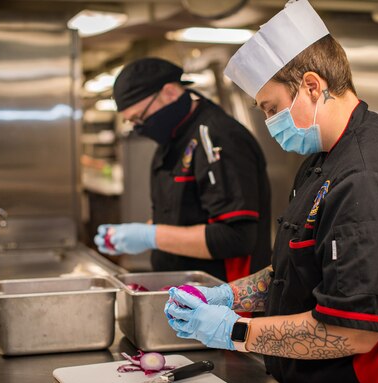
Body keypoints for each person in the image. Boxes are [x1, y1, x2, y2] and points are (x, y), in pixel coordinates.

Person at [164, 1, 378, 383]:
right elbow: (294, 269)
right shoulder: (323, 159)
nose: (270, 122)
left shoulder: (366, 177)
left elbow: (353, 332)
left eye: (271, 109)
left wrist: (234, 330)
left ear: (312, 85)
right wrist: (226, 296)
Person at [93, 57, 272, 282]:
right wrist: (133, 234)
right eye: (133, 122)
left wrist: (151, 236)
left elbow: (236, 237)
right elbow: (182, 216)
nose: (139, 128)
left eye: (140, 117)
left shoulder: (219, 137)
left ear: (169, 92)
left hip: (225, 299)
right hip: (185, 290)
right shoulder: (173, 140)